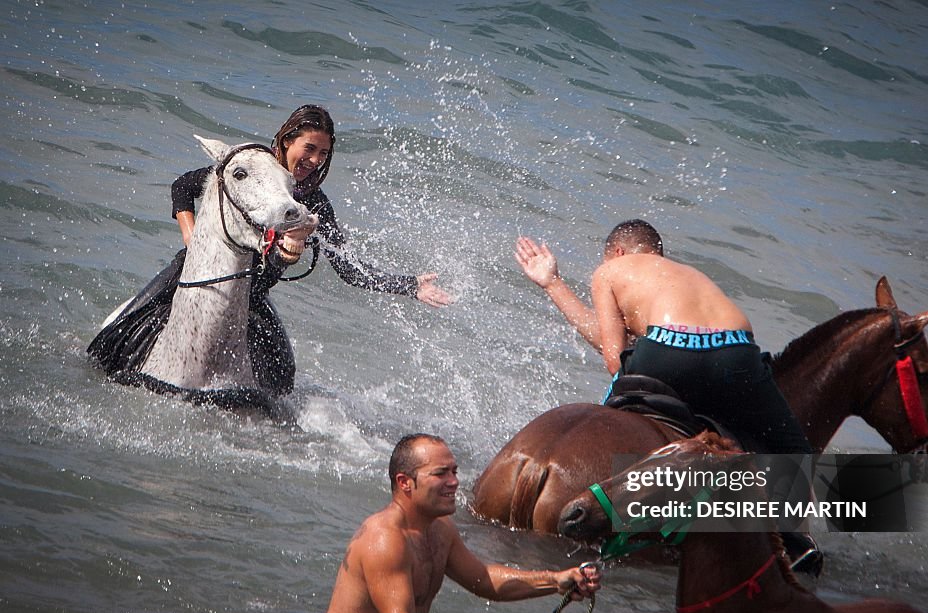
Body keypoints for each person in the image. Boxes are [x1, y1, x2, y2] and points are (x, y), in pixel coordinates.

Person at [517, 221, 821, 573]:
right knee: (792, 450)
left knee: (618, 415)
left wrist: (553, 283)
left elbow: (613, 356)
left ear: (617, 252)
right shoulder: (688, 275)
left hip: (668, 348)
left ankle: (618, 507)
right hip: (737, 352)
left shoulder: (611, 270)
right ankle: (795, 547)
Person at [323, 434, 601, 613]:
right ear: (405, 482)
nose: (454, 482)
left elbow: (483, 579)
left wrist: (556, 581)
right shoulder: (384, 538)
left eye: (454, 471)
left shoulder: (440, 528)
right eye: (440, 473)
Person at [171, 104, 451, 307]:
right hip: (197, 273)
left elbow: (349, 270)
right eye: (309, 149)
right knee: (134, 316)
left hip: (251, 297)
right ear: (287, 140)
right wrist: (191, 236)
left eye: (323, 153)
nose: (315, 160)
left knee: (283, 371)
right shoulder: (250, 170)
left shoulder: (315, 203)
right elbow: (183, 186)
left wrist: (410, 286)